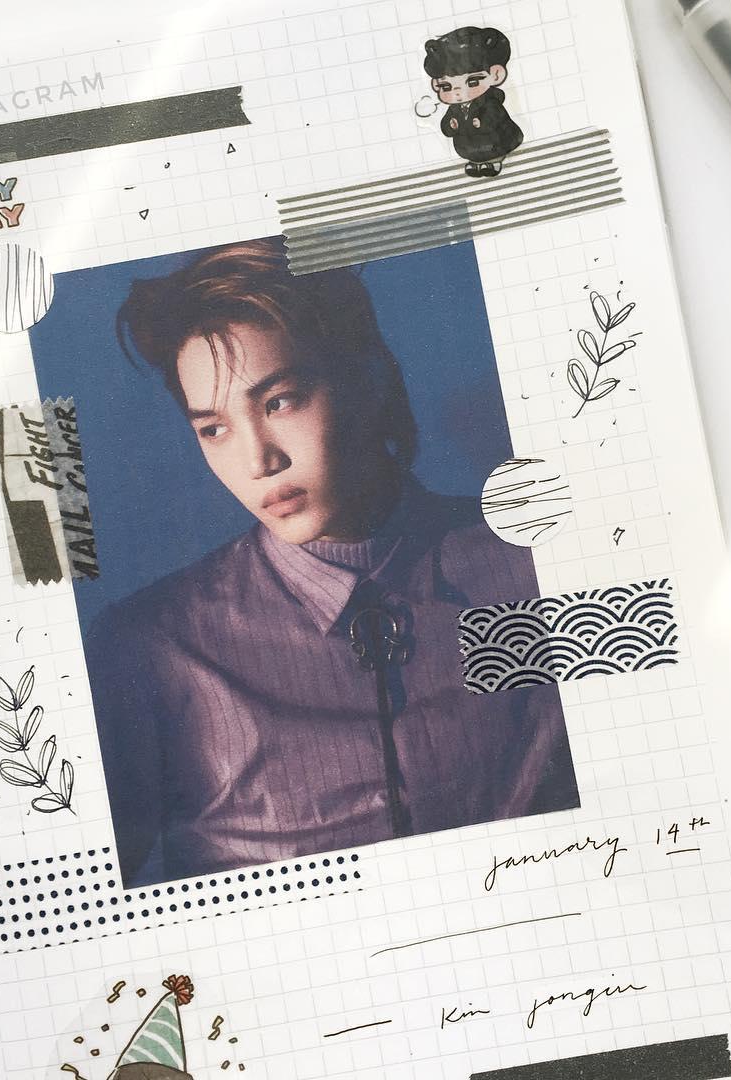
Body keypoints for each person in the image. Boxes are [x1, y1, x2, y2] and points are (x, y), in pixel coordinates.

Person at [86, 238, 578, 886]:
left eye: (279, 401)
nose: (258, 461)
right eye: (214, 429)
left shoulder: (535, 565)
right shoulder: (153, 649)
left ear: (365, 376)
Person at [424, 26, 524, 177]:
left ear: (496, 75)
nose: (458, 92)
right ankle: (476, 164)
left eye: (472, 82)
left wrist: (482, 122)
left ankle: (494, 163)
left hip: (494, 144)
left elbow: (497, 117)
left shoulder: (490, 102)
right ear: (436, 85)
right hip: (468, 147)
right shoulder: (454, 109)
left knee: (493, 150)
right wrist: (450, 125)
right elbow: (446, 129)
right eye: (446, 86)